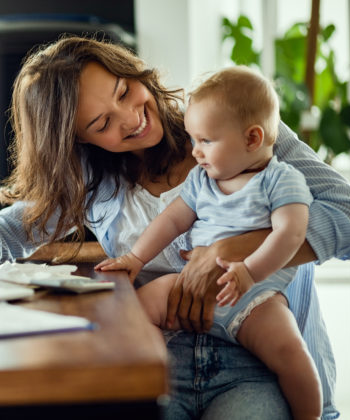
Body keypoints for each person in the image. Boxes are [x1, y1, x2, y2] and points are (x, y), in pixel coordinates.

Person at [0, 36, 350, 419]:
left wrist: (233, 250)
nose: (131, 117)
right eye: (102, 123)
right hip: (160, 357)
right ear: (78, 140)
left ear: (133, 71)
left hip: (259, 358)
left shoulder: (234, 122)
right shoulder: (95, 179)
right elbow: (19, 224)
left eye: (125, 91)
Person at [95, 66, 321, 420]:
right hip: (190, 284)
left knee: (291, 352)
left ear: (251, 139)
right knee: (136, 308)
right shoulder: (202, 180)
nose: (195, 152)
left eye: (206, 141)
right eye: (193, 139)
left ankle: (311, 414)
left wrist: (248, 271)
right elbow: (171, 220)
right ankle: (156, 378)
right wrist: (136, 258)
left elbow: (290, 235)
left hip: (255, 296)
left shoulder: (281, 180)